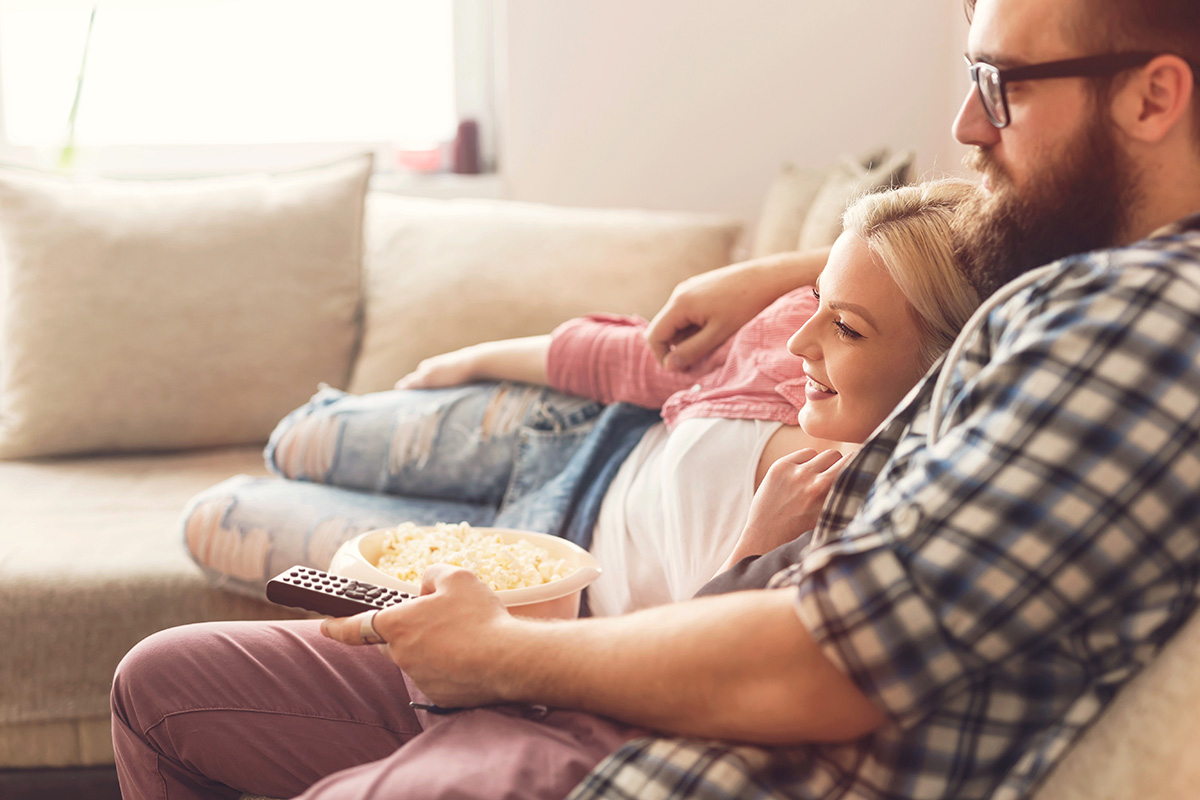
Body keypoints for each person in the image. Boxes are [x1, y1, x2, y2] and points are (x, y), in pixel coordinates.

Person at [111, 0, 1200, 797]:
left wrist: (499, 650)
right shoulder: (1067, 270)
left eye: (1001, 82)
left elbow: (829, 663)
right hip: (642, 672)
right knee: (159, 682)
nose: (967, 121)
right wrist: (789, 273)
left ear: (1156, 94)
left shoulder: (1141, 316)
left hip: (674, 752)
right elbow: (934, 230)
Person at [193, 178, 976, 617]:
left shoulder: (870, 520)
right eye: (817, 305)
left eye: (847, 328)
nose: (807, 340)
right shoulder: (792, 341)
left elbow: (689, 663)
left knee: (223, 513)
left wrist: (756, 546)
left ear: (947, 360)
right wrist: (467, 361)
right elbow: (640, 360)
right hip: (569, 437)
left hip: (545, 583)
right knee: (300, 436)